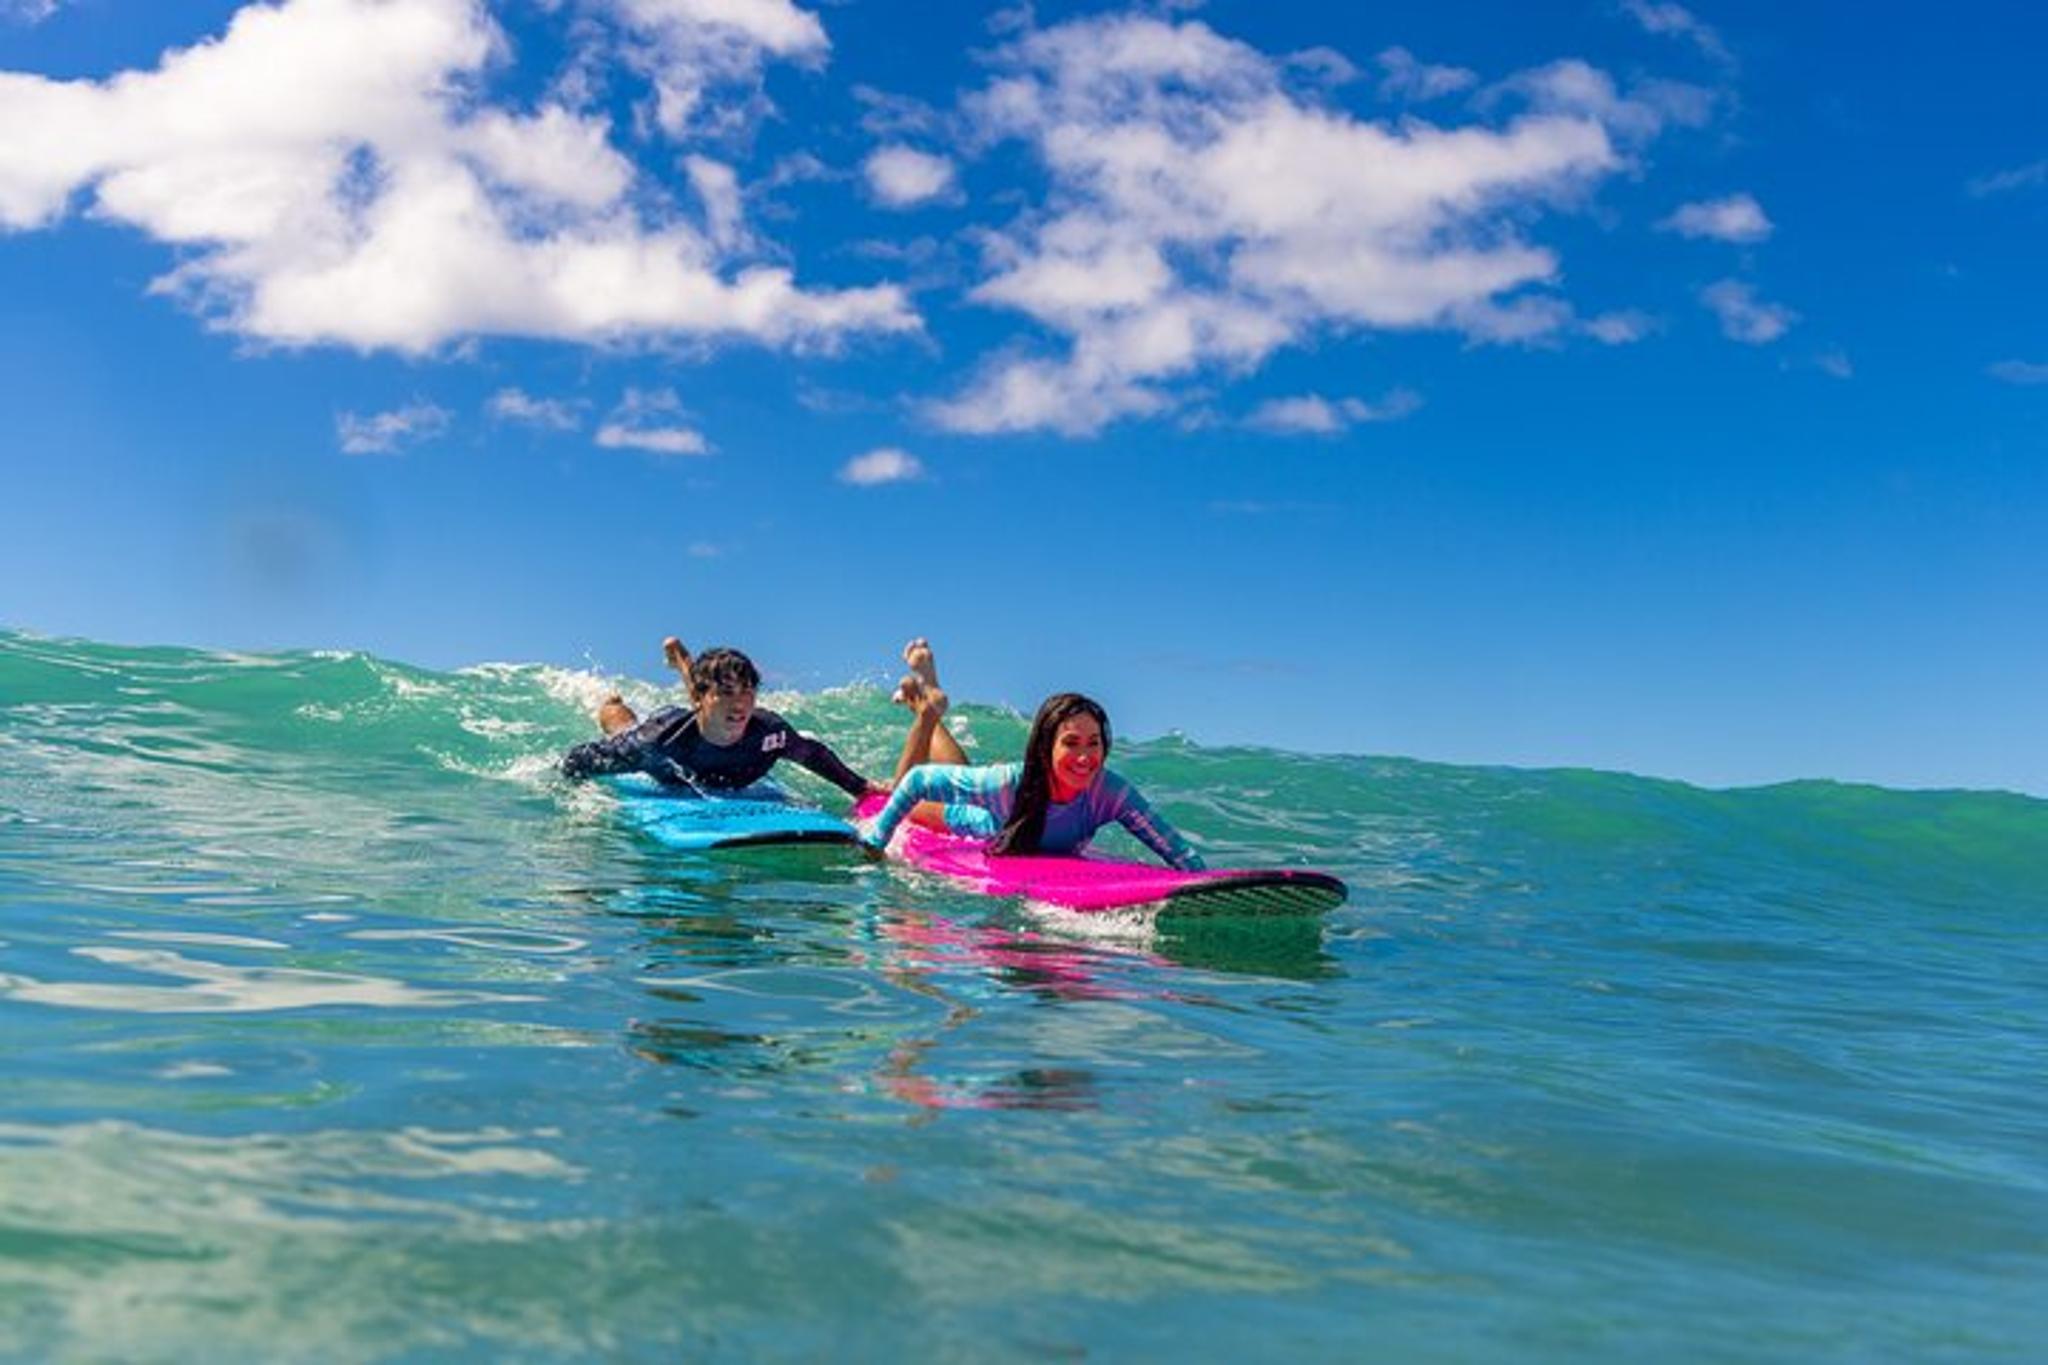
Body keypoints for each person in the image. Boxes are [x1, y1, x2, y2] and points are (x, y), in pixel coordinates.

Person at [858, 639, 1204, 870]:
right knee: (899, 793)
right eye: (1071, 743)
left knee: (962, 775)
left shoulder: (1110, 793)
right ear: (1045, 747)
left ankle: (928, 703)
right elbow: (918, 780)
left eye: (1094, 743)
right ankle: (926, 711)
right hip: (975, 825)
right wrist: (876, 841)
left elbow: (1175, 848)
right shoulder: (1007, 782)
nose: (1085, 757)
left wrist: (1203, 882)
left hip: (996, 811)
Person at [563, 637, 877, 799]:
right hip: (674, 723)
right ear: (699, 698)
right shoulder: (659, 740)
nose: (740, 703)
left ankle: (680, 658)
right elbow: (579, 760)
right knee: (622, 726)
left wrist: (860, 787)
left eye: (748, 691)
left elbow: (813, 754)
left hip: (703, 713)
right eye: (727, 692)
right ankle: (617, 700)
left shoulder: (770, 732)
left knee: (715, 703)